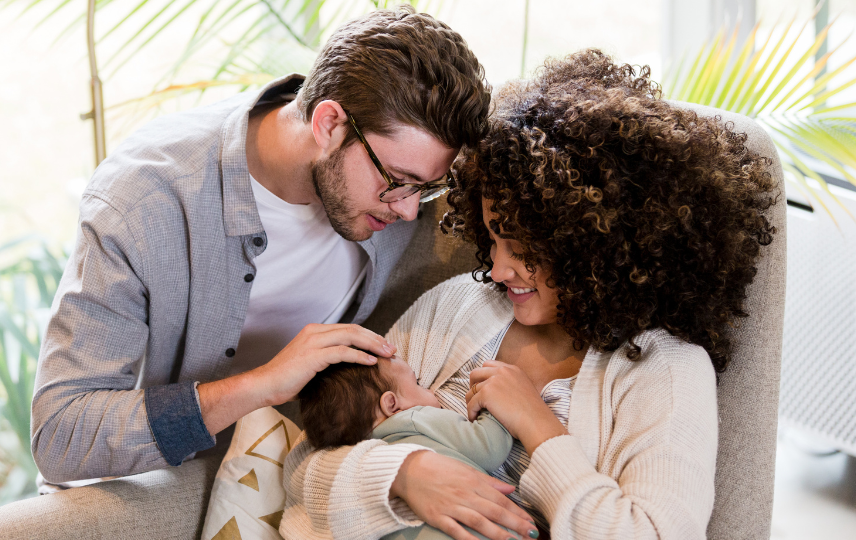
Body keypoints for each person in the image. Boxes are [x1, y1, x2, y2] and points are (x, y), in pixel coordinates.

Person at [280, 49, 778, 540]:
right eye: (493, 238)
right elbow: (306, 462)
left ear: (594, 246)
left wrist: (540, 429)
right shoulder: (458, 306)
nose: (497, 270)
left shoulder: (664, 371)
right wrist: (405, 475)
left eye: (522, 249)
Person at [29, 6, 494, 485]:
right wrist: (263, 385)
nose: (409, 211)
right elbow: (61, 434)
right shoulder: (147, 202)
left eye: (426, 188)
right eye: (398, 181)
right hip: (152, 487)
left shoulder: (394, 185)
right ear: (329, 123)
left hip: (300, 479)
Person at [297, 356, 517, 540]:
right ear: (392, 404)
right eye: (418, 382)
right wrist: (496, 399)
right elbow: (489, 447)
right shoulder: (414, 418)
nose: (430, 389)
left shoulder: (363, 466)